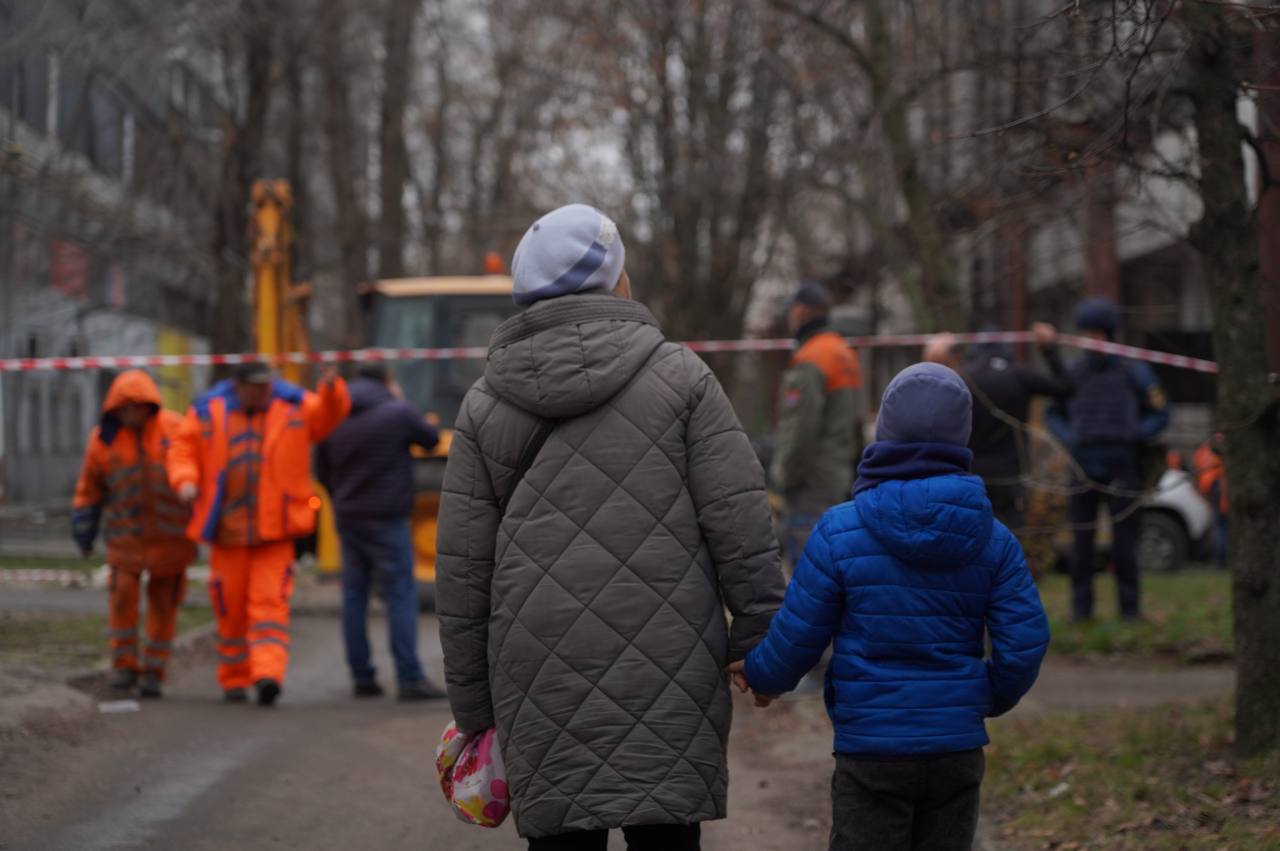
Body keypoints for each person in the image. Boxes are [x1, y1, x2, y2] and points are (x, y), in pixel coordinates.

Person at [436, 203, 785, 850]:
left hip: (538, 678)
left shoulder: (484, 405)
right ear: (616, 280)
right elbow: (738, 518)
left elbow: (461, 574)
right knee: (665, 832)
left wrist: (474, 710)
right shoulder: (681, 377)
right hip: (671, 659)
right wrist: (761, 643)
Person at [730, 362, 1050, 851]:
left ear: (886, 429)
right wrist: (981, 699)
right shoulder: (993, 538)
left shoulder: (840, 530)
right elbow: (1025, 642)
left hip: (872, 749)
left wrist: (762, 676)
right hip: (955, 748)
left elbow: (800, 634)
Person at [167, 362, 350, 706]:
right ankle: (235, 679)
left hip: (275, 534)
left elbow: (329, 415)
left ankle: (268, 676)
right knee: (230, 608)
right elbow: (182, 448)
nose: (266, 391)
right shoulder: (209, 411)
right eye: (258, 387)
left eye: (268, 385)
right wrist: (185, 480)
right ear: (239, 386)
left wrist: (332, 387)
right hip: (227, 534)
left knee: (270, 606)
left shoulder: (294, 406)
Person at [315, 364, 446, 701]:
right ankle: (409, 678)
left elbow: (320, 469)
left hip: (348, 516)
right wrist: (400, 399)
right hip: (387, 517)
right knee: (400, 594)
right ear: (386, 381)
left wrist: (341, 497)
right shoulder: (396, 411)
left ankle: (362, 677)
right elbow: (431, 440)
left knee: (354, 595)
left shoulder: (334, 415)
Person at [71, 370, 197, 699]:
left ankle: (154, 670)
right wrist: (84, 532)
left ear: (150, 406)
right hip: (126, 539)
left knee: (163, 605)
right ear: (116, 409)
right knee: (123, 598)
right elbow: (89, 489)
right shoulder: (104, 439)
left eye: (140, 407)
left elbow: (190, 464)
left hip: (171, 540)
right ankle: (124, 665)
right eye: (127, 408)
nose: (134, 414)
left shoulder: (171, 427)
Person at [1047, 298, 1169, 621]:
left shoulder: (1134, 370)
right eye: (1088, 333)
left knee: (1125, 543)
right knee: (1082, 543)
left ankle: (1130, 611)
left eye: (1099, 333)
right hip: (1083, 464)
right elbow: (1052, 413)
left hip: (1121, 464)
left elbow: (1161, 413)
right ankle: (1080, 611)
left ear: (1110, 335)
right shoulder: (1073, 373)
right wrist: (1069, 436)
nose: (1094, 340)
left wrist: (1134, 433)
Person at [925, 325, 1073, 530]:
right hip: (1011, 474)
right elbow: (1065, 387)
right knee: (1010, 539)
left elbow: (929, 404)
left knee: (972, 538)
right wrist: (1049, 350)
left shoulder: (964, 377)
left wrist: (935, 359)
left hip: (973, 474)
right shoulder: (1020, 374)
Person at [771, 281, 862, 572]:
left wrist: (784, 474)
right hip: (838, 476)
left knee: (808, 570)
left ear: (799, 312)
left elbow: (801, 428)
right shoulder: (844, 353)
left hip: (811, 483)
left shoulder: (811, 358)